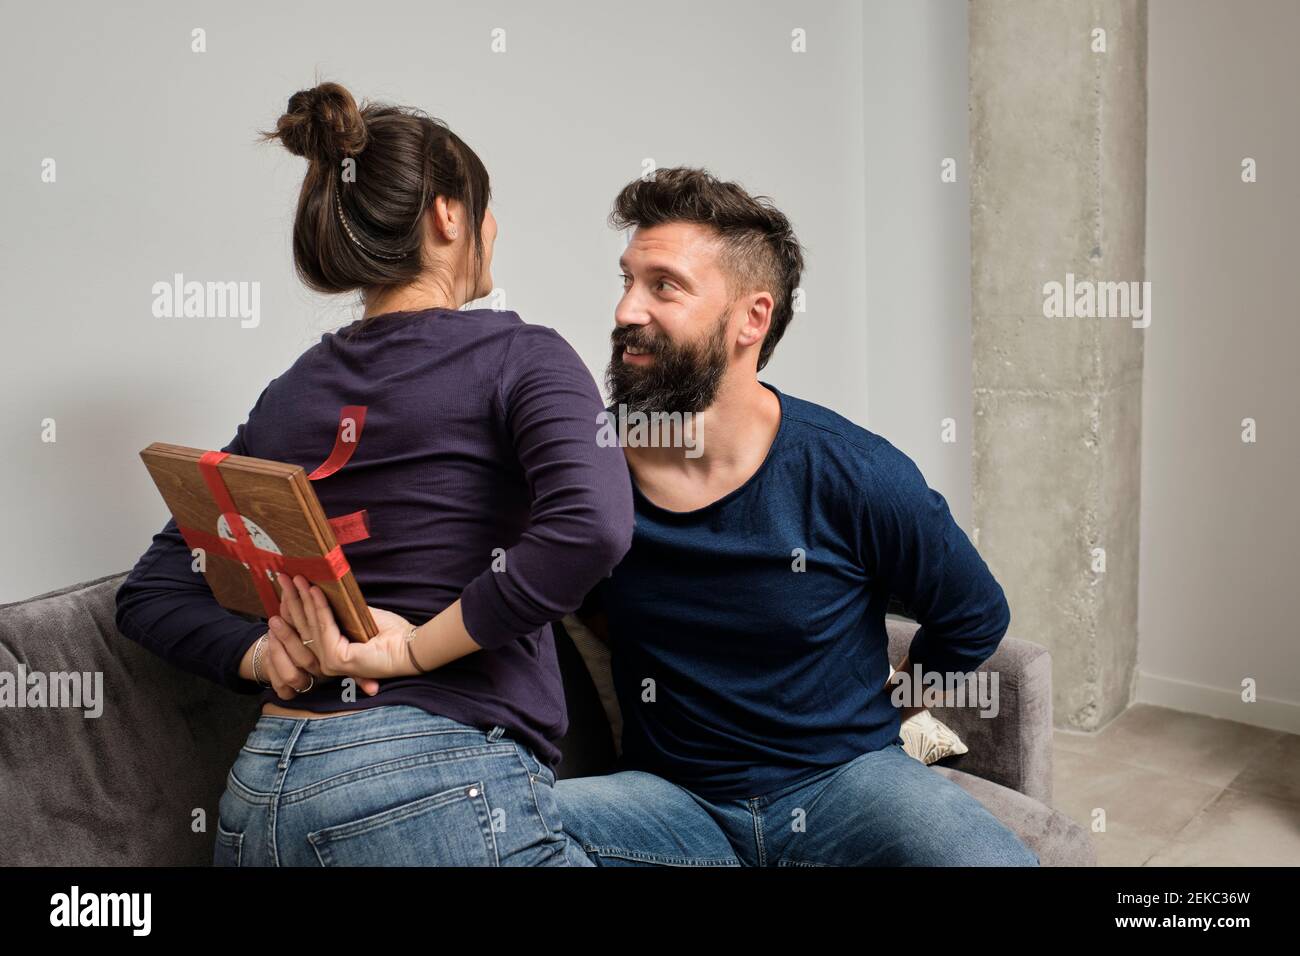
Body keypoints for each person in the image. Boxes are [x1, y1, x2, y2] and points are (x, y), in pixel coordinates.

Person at [114, 82, 630, 867]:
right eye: (484, 207)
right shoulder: (523, 355)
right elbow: (591, 525)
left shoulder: (292, 392)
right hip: (432, 783)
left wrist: (263, 656)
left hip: (260, 799)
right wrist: (414, 650)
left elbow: (153, 590)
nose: (495, 228)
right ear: (449, 216)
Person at [558, 166, 1041, 866]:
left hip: (849, 782)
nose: (627, 310)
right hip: (670, 802)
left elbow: (975, 617)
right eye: (627, 280)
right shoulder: (589, 467)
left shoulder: (855, 472)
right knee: (492, 828)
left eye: (664, 285)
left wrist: (897, 704)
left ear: (751, 319)